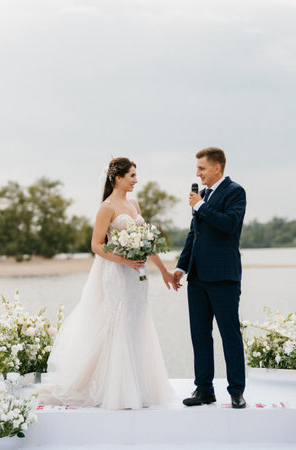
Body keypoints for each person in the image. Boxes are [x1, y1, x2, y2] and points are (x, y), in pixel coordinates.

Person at [38, 157, 175, 410]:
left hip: (138, 276)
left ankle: (137, 386)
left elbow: (147, 241)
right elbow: (96, 245)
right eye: (132, 175)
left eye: (136, 175)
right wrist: (124, 259)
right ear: (118, 178)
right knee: (118, 322)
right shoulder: (107, 207)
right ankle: (117, 390)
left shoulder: (134, 203)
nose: (136, 180)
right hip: (117, 273)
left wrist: (165, 272)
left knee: (136, 322)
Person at [174, 147, 247, 409]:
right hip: (198, 277)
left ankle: (236, 390)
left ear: (217, 167)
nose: (198, 173)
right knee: (200, 334)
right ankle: (204, 389)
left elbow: (230, 225)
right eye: (197, 168)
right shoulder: (201, 196)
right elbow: (194, 235)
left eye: (202, 168)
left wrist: (201, 206)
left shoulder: (235, 192)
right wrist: (181, 268)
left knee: (230, 334)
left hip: (224, 277)